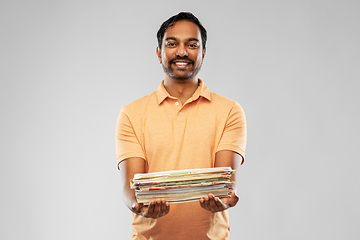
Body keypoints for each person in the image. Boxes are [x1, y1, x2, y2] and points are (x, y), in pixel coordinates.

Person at [116, 12, 247, 240]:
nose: (182, 52)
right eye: (172, 43)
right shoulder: (131, 114)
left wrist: (224, 199)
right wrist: (140, 207)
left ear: (203, 53)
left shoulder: (229, 111)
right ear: (159, 52)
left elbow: (225, 182)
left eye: (192, 44)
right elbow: (131, 189)